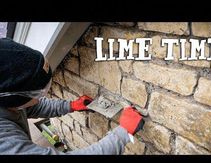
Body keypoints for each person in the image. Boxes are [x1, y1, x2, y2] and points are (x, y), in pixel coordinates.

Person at [0, 38, 145, 155]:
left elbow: (33, 106)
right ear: (12, 97)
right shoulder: (4, 143)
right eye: (38, 93)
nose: (40, 98)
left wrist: (71, 105)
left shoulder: (12, 103)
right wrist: (123, 133)